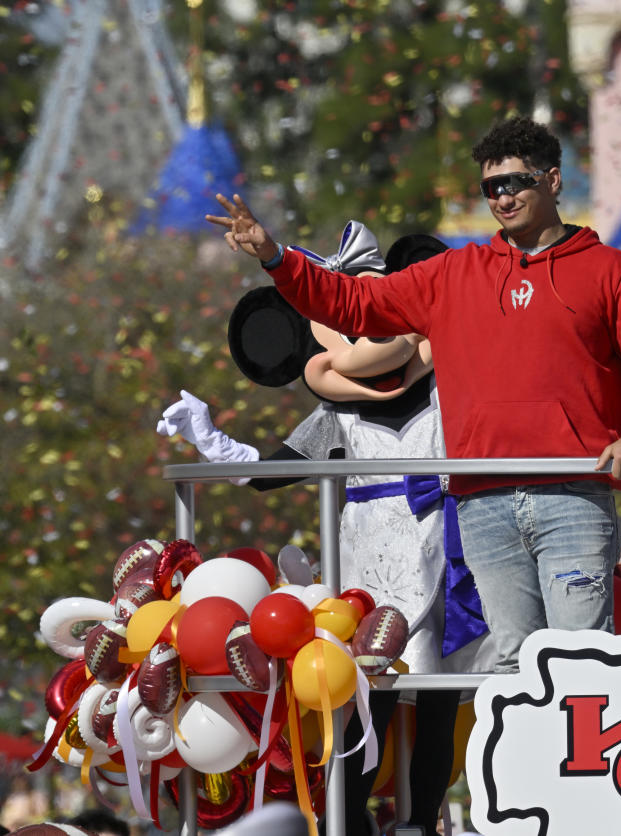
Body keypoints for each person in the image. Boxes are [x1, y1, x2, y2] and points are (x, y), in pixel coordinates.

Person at [206, 115, 621, 674]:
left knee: (583, 663)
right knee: (511, 671)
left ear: (553, 181)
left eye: (515, 183)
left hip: (572, 496)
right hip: (482, 501)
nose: (502, 198)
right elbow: (351, 305)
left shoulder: (611, 272)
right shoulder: (452, 274)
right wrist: (275, 258)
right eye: (491, 188)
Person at [158, 222, 487, 836]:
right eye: (346, 331)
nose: (367, 346)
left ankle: (421, 821)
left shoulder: (451, 388)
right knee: (368, 697)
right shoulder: (336, 415)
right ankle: (351, 820)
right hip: (368, 560)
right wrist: (208, 437)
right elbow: (270, 473)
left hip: (443, 550)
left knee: (438, 699)